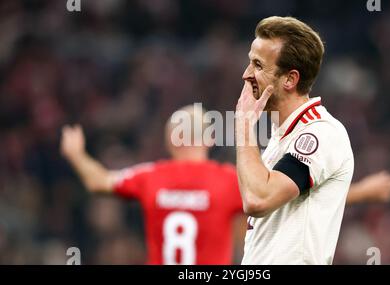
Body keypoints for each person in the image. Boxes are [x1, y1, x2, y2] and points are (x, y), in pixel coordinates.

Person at [235, 16, 354, 264]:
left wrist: (244, 126)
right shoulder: (279, 141)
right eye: (250, 62)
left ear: (290, 79)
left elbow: (258, 199)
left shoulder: (321, 133)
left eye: (258, 65)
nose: (246, 75)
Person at [60, 105, 244, 265]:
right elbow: (265, 198)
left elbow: (98, 182)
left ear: (170, 140)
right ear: (210, 138)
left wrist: (76, 155)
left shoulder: (149, 176)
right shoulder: (230, 180)